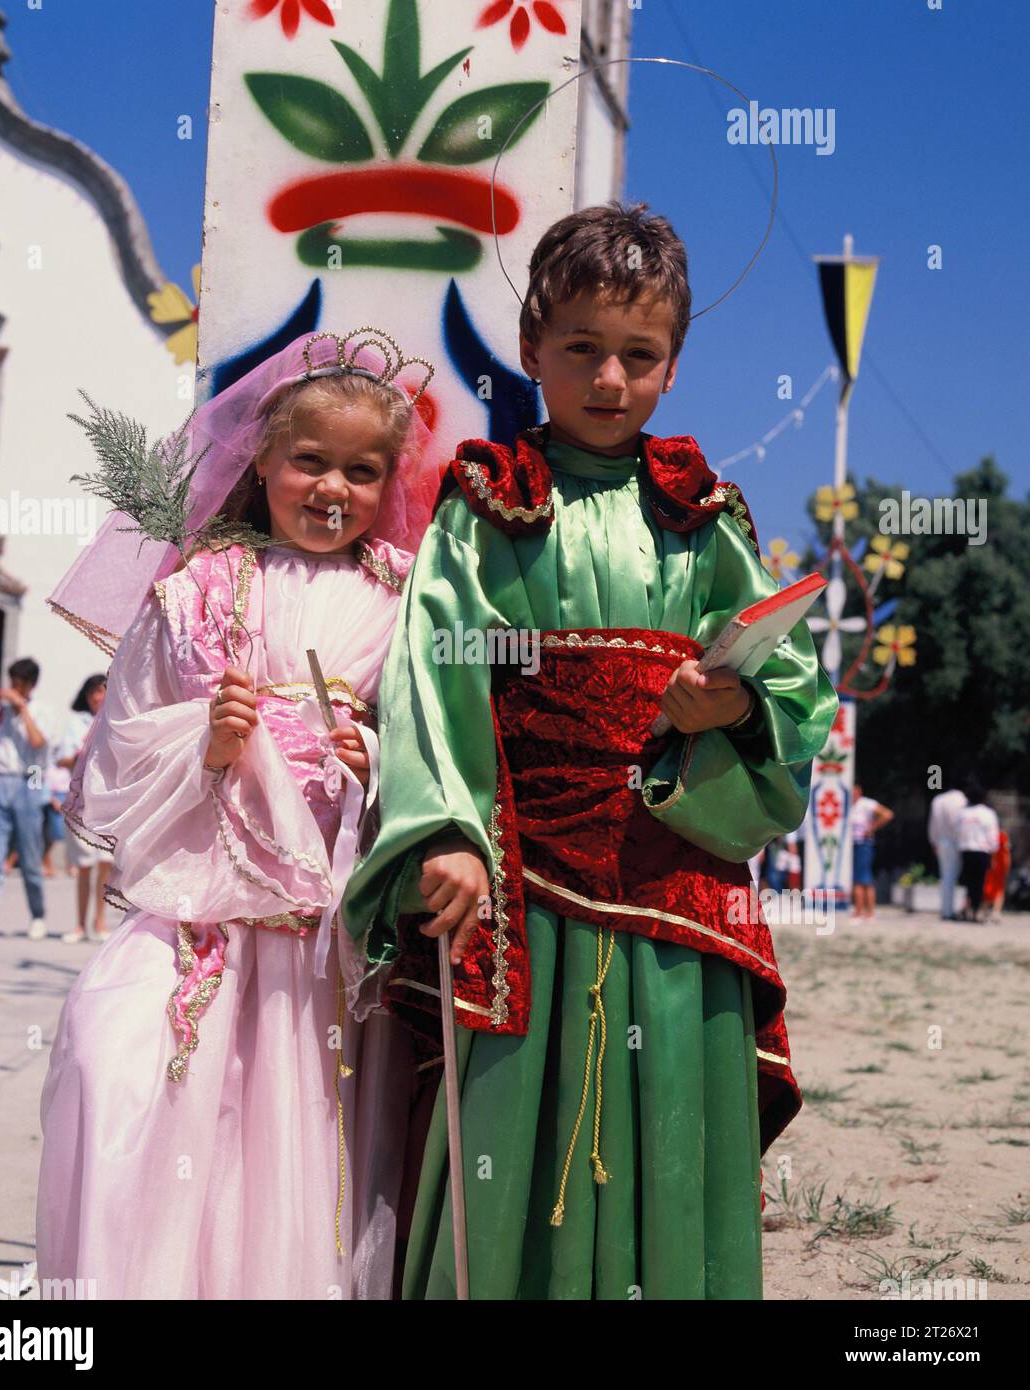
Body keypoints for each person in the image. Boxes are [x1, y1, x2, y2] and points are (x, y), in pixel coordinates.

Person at [342, 202, 839, 1299]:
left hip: (676, 880)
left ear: (672, 365)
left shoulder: (704, 518)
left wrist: (734, 714)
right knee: (516, 1114)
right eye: (581, 349)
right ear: (530, 347)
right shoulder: (484, 506)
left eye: (637, 355)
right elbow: (435, 672)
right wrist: (446, 831)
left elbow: (792, 689)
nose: (607, 377)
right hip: (523, 879)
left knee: (668, 1114)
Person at [36, 328, 438, 1300]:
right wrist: (208, 743)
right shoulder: (197, 591)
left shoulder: (403, 604)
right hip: (201, 914)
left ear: (391, 483)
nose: (332, 487)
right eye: (310, 460)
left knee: (295, 1141)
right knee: (114, 1059)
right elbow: (117, 752)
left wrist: (375, 761)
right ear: (261, 461)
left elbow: (445, 755)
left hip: (322, 944)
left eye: (361, 469)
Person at [0, 659, 56, 941]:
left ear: (31, 685)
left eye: (20, 684)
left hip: (31, 776)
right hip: (1, 779)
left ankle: (37, 915)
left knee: (30, 854)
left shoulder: (42, 711)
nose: (14, 689)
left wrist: (22, 709)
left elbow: (39, 743)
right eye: (12, 682)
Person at [55, 675, 115, 944]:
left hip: (109, 801)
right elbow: (62, 758)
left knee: (105, 863)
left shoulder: (118, 720)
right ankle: (79, 924)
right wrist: (81, 754)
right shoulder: (75, 723)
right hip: (82, 801)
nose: (97, 697)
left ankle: (99, 922)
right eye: (93, 692)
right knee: (84, 865)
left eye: (102, 691)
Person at [956, 777, 1001, 923]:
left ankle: (966, 909)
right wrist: (994, 851)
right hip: (982, 852)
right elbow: (993, 836)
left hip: (966, 850)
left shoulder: (963, 813)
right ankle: (975, 911)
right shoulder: (988, 813)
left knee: (967, 882)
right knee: (979, 883)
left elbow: (958, 832)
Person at [849, 784, 893, 923]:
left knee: (861, 878)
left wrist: (872, 827)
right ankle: (865, 911)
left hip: (863, 843)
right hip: (854, 843)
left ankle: (862, 911)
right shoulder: (849, 805)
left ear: (858, 790)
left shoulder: (867, 804)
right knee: (862, 877)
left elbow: (887, 814)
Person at [928, 782, 967, 920]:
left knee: (946, 877)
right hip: (958, 842)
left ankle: (946, 910)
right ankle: (952, 911)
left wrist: (933, 840)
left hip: (942, 842)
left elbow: (933, 823)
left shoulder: (938, 800)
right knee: (956, 877)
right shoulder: (963, 800)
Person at [982, 829, 1011, 924]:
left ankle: (986, 912)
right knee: (999, 890)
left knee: (988, 890)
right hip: (998, 866)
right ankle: (996, 913)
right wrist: (1007, 866)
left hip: (991, 866)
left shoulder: (986, 834)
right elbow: (1006, 852)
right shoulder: (1001, 835)